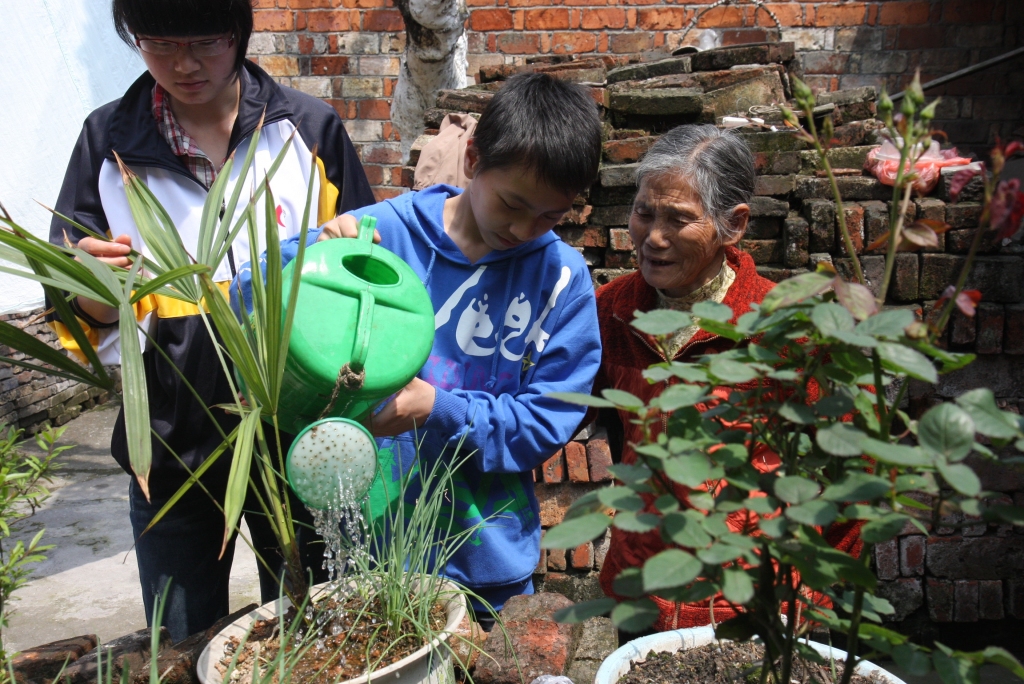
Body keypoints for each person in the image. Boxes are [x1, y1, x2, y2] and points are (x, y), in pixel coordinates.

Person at [47, 0, 375, 640]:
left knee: (331, 634)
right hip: (170, 450)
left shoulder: (305, 130)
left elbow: (361, 274)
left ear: (240, 32)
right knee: (178, 643)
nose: (185, 64)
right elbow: (73, 310)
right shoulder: (108, 141)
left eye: (206, 41)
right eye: (159, 43)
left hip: (300, 437)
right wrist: (95, 290)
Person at [235, 72, 604, 623]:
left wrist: (438, 408)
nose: (525, 229)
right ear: (474, 158)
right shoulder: (381, 234)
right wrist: (307, 261)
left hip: (490, 564)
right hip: (371, 558)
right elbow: (246, 291)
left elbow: (547, 421)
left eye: (550, 216)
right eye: (512, 204)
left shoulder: (562, 279)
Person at [593, 124, 861, 635]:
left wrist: (809, 590)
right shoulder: (612, 312)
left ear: (733, 225)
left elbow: (854, 471)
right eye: (644, 212)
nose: (653, 237)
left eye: (678, 220)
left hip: (753, 601)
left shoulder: (789, 326)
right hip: (642, 588)